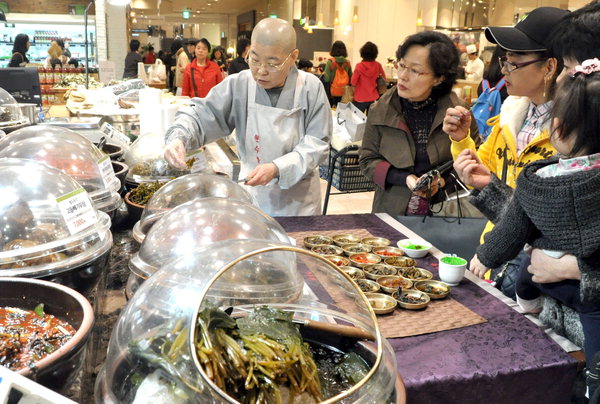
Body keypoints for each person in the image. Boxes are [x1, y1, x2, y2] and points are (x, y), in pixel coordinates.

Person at [470, 59, 600, 397]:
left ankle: (529, 309)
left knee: (526, 271)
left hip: (544, 273)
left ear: (557, 127)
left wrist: (485, 256)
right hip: (589, 296)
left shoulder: (540, 179)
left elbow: (516, 225)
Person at [443, 7, 568, 296]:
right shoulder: (512, 114)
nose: (504, 70)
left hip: (537, 274)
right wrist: (462, 141)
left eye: (515, 63)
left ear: (550, 67)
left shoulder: (570, 136)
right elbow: (482, 169)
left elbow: (543, 222)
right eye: (505, 60)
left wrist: (488, 187)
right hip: (496, 258)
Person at [163, 18, 330, 217]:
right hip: (254, 197)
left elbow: (318, 144)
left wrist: (278, 168)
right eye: (255, 59)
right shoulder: (239, 84)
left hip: (298, 202)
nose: (261, 71)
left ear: (293, 57)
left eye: (272, 63)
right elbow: (201, 114)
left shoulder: (310, 88)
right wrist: (179, 136)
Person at [358, 31, 479, 217]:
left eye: (414, 70)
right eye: (402, 66)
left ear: (439, 78)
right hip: (392, 210)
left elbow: (474, 161)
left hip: (446, 215)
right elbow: (367, 160)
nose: (403, 76)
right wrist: (404, 178)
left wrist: (441, 181)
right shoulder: (381, 110)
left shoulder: (458, 113)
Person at [351, 41, 386, 114]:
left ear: (362, 53)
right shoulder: (378, 65)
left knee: (357, 119)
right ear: (375, 54)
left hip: (360, 98)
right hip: (373, 97)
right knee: (370, 120)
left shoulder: (359, 66)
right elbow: (384, 79)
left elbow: (353, 82)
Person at [323, 40, 352, 105]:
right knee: (342, 110)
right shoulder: (347, 62)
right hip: (345, 91)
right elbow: (351, 77)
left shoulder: (330, 62)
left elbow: (326, 79)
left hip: (332, 91)